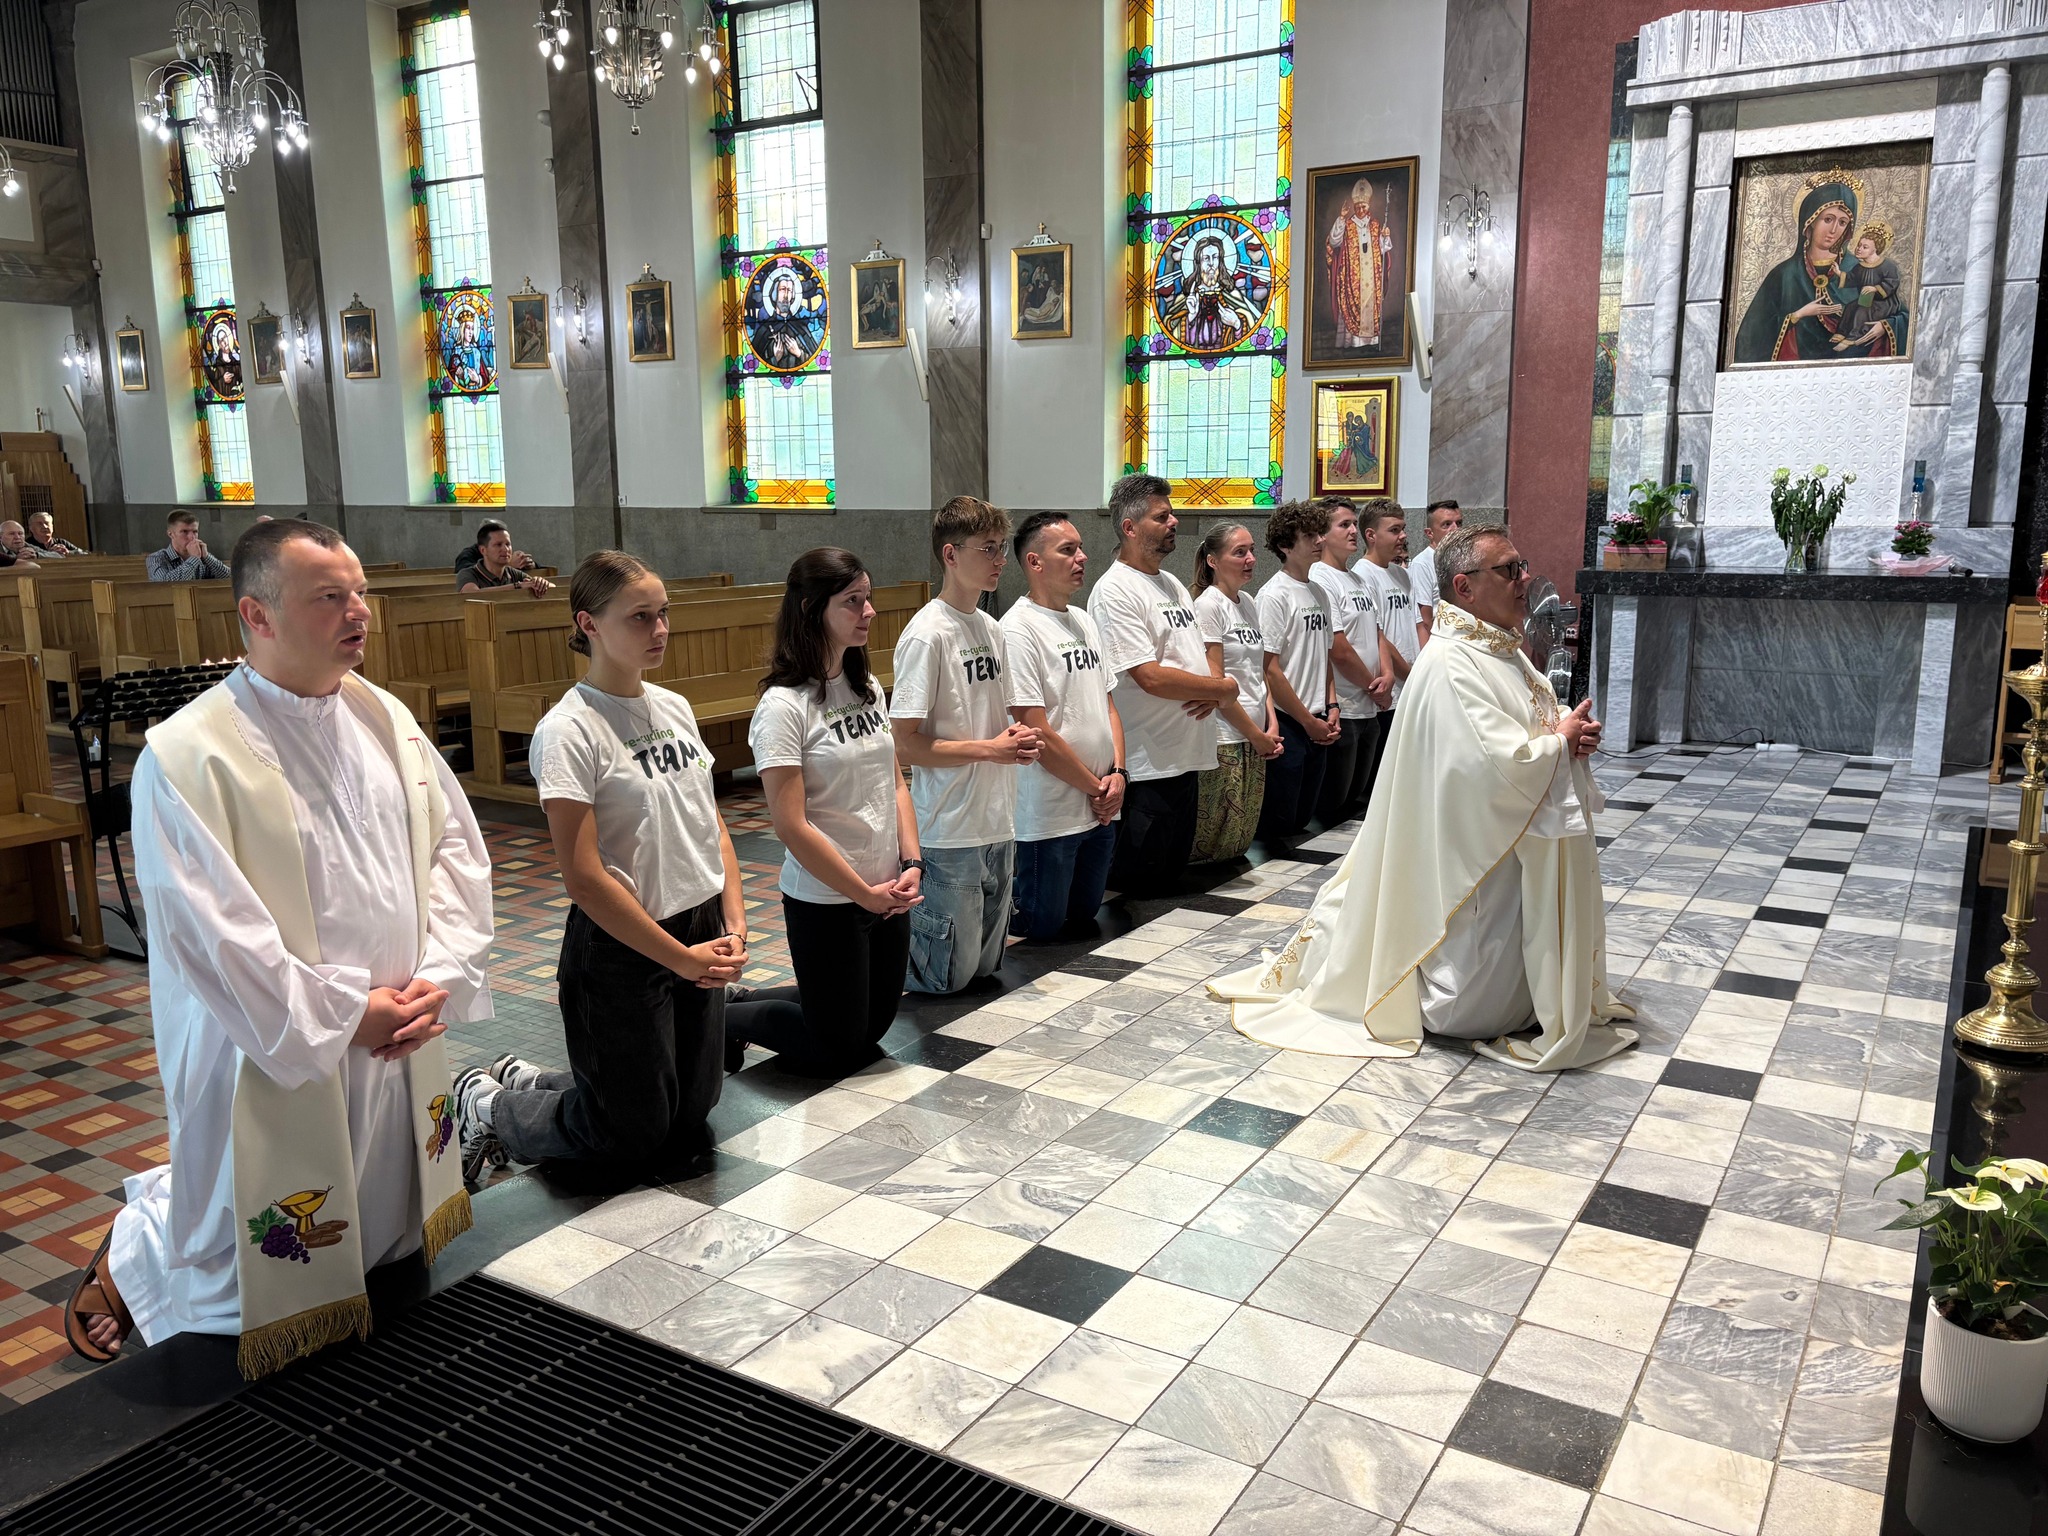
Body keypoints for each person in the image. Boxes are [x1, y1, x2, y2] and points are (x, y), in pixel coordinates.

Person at [65, 520, 492, 1371]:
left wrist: (438, 974)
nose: (359, 612)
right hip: (271, 1036)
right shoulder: (187, 758)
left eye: (360, 593)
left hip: (400, 1020)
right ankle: (134, 1254)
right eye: (330, 598)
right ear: (257, 615)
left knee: (381, 1230)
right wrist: (345, 1016)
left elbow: (454, 849)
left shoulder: (385, 717)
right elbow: (212, 936)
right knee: (243, 1238)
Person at [1210, 526, 1638, 1072]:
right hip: (1473, 856)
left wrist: (1567, 735)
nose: (1524, 579)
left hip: (1513, 848)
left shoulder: (1501, 650)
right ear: (1464, 586)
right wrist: (1558, 744)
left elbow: (1527, 727)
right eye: (1509, 570)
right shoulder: (1452, 662)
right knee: (1470, 1010)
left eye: (1522, 565)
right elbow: (1484, 766)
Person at [450, 553, 747, 1180]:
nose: (660, 629)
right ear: (588, 624)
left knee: (691, 1111)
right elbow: (583, 876)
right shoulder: (569, 729)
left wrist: (734, 923)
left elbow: (711, 824)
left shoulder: (674, 706)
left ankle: (536, 1080)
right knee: (628, 1134)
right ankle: (489, 1105)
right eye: (640, 617)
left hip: (699, 925)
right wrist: (679, 958)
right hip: (622, 942)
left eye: (663, 613)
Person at [736, 549, 922, 1073]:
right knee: (837, 1047)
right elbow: (790, 825)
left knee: (874, 1026)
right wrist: (863, 894)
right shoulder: (783, 707)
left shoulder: (866, 688)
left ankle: (766, 1001)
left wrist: (911, 862)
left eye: (868, 598)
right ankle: (724, 1017)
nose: (869, 612)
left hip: (886, 888)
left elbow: (895, 784)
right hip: (827, 897)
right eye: (853, 601)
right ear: (812, 608)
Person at [890, 497, 1039, 994]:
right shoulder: (927, 635)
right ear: (951, 554)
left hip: (997, 819)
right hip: (950, 828)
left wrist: (1017, 740)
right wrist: (989, 750)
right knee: (945, 980)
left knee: (984, 969)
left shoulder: (991, 629)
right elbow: (903, 745)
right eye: (988, 548)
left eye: (1002, 547)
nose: (1000, 560)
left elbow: (993, 720)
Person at [1089, 475, 1238, 896]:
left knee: (1170, 885)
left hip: (1184, 755)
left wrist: (1211, 690)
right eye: (1161, 516)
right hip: (1147, 763)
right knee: (1139, 891)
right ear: (1130, 528)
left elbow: (1191, 655)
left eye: (1171, 514)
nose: (1173, 522)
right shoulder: (1115, 590)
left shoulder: (1171, 584)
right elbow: (1148, 675)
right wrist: (1220, 690)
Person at [1002, 513, 1125, 941]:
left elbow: (1109, 706)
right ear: (1034, 562)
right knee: (1042, 925)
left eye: (1080, 548)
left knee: (1085, 915)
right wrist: (1097, 788)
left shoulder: (1083, 620)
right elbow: (1036, 731)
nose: (1082, 557)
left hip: (1100, 805)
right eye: (1068, 550)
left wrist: (1119, 775)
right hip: (1051, 812)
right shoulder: (1017, 629)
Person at [1732, 171, 1905, 362]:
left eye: (1842, 222)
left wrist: (1885, 326)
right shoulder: (1784, 275)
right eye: (1828, 219)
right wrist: (1798, 315)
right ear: (1810, 220)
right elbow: (1751, 337)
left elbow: (1899, 314)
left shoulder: (1863, 268)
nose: (1834, 230)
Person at [1190, 523, 1281, 863]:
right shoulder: (1208, 606)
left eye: (1252, 550)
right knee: (1214, 843)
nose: (1251, 559)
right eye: (1239, 552)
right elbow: (1217, 683)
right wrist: (1256, 734)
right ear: (1213, 560)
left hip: (1256, 734)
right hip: (1226, 735)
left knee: (1240, 839)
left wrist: (1271, 724)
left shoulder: (1249, 602)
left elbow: (1258, 673)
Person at [1256, 500, 1340, 845]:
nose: (1320, 540)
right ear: (1285, 545)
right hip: (1289, 720)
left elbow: (1325, 655)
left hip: (1318, 719)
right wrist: (1307, 721)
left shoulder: (1319, 591)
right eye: (1309, 535)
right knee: (1280, 825)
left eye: (1320, 533)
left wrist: (1332, 706)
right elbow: (1269, 669)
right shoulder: (1274, 595)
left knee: (1304, 819)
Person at [1309, 498, 1390, 826]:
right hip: (1345, 705)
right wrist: (1374, 686)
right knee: (1334, 805)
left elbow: (1378, 631)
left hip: (1370, 704)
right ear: (1322, 534)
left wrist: (1387, 676)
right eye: (1344, 525)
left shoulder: (1357, 579)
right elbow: (1338, 648)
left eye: (1354, 523)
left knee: (1358, 800)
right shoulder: (1320, 577)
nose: (1354, 530)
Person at [1356, 499, 1420, 797]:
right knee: (1380, 776)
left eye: (1403, 528)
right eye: (1394, 530)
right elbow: (1379, 634)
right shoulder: (1363, 575)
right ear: (1371, 535)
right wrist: (1410, 675)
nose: (1403, 536)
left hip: (1411, 683)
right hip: (1391, 688)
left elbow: (1413, 625)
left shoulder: (1401, 574)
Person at [1834, 222, 1905, 353]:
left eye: (1865, 247)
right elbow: (1851, 278)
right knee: (1850, 307)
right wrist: (1839, 273)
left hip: (1884, 303)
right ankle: (1842, 332)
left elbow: (1892, 282)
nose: (1858, 249)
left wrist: (1875, 288)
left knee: (1862, 311)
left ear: (1875, 249)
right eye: (1859, 245)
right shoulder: (1859, 267)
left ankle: (1852, 338)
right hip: (1866, 300)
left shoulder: (1887, 266)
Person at [1410, 499, 1463, 644]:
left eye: (1459, 523)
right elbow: (1425, 620)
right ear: (1430, 533)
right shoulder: (1422, 564)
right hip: (1441, 641)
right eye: (1447, 524)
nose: (1455, 529)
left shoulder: (1463, 559)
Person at [457, 520, 552, 596]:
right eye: (498, 545)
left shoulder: (513, 573)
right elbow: (471, 593)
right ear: (483, 550)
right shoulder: (468, 573)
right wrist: (516, 586)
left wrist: (540, 583)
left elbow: (553, 588)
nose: (506, 549)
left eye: (508, 544)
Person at [147, 511, 230, 581]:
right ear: (171, 534)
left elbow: (230, 578)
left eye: (195, 531)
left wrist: (207, 557)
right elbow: (165, 584)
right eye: (184, 531)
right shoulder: (156, 558)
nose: (191, 537)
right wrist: (194, 559)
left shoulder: (203, 558)